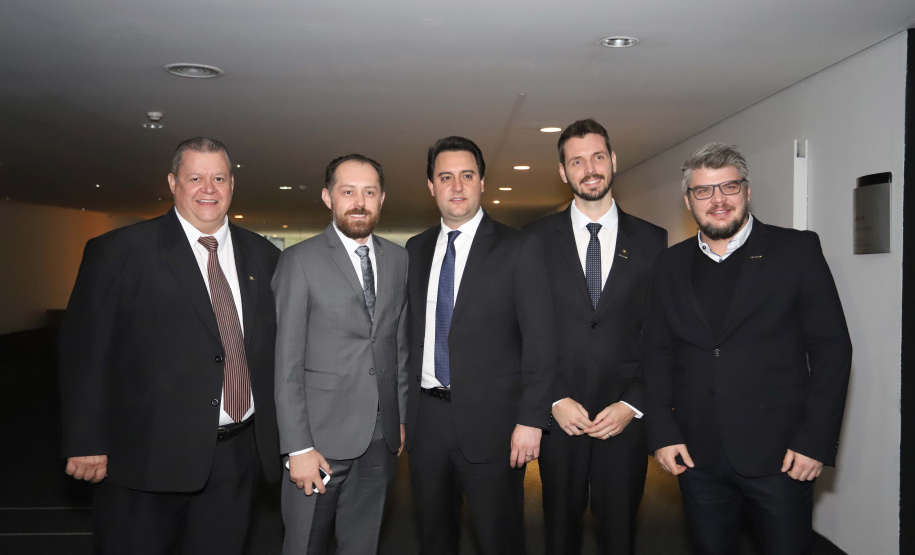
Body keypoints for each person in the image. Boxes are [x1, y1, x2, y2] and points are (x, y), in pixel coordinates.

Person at [59, 137, 282, 554]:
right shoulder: (119, 252)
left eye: (218, 177)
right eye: (195, 177)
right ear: (173, 183)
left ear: (232, 184)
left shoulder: (265, 256)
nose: (208, 188)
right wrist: (86, 440)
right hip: (145, 457)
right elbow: (85, 353)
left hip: (237, 458)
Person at [643, 142, 852, 554]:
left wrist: (815, 441)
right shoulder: (669, 265)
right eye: (704, 191)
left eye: (729, 187)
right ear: (689, 200)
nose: (718, 200)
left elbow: (832, 350)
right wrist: (662, 434)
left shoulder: (797, 251)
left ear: (747, 191)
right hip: (696, 454)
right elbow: (656, 353)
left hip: (782, 455)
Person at [403, 136, 556, 554]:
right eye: (445, 177)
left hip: (496, 426)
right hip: (426, 423)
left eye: (466, 176)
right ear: (431, 186)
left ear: (482, 182)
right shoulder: (415, 251)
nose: (456, 186)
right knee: (434, 537)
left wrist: (532, 420)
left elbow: (541, 343)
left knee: (499, 539)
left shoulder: (519, 247)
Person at [526, 118, 667, 554]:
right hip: (560, 418)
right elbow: (523, 331)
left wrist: (633, 403)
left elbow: (661, 334)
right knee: (559, 534)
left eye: (598, 157)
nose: (590, 168)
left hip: (622, 421)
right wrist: (551, 397)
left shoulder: (653, 240)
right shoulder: (532, 242)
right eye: (577, 160)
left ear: (614, 162)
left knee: (620, 534)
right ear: (563, 172)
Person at [272, 154, 408, 554]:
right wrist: (297, 447)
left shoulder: (397, 259)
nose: (359, 201)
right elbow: (286, 365)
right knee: (305, 544)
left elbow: (396, 346)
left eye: (369, 192)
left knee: (362, 545)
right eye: (348, 191)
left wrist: (397, 419)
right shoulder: (299, 261)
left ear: (382, 198)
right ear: (328, 197)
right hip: (319, 443)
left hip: (379, 440)